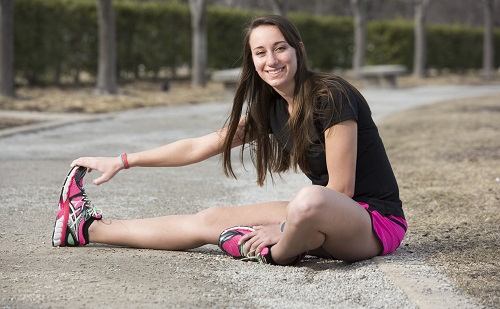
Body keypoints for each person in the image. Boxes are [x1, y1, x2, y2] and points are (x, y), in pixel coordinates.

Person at [52, 15, 407, 266]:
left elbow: (341, 190)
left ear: (298, 49)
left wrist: (281, 227)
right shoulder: (271, 109)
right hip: (316, 215)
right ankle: (86, 229)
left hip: (373, 222)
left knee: (309, 199)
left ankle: (278, 251)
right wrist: (123, 160)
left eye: (280, 48)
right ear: (252, 61)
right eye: (260, 52)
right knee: (212, 218)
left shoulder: (331, 95)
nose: (272, 60)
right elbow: (199, 146)